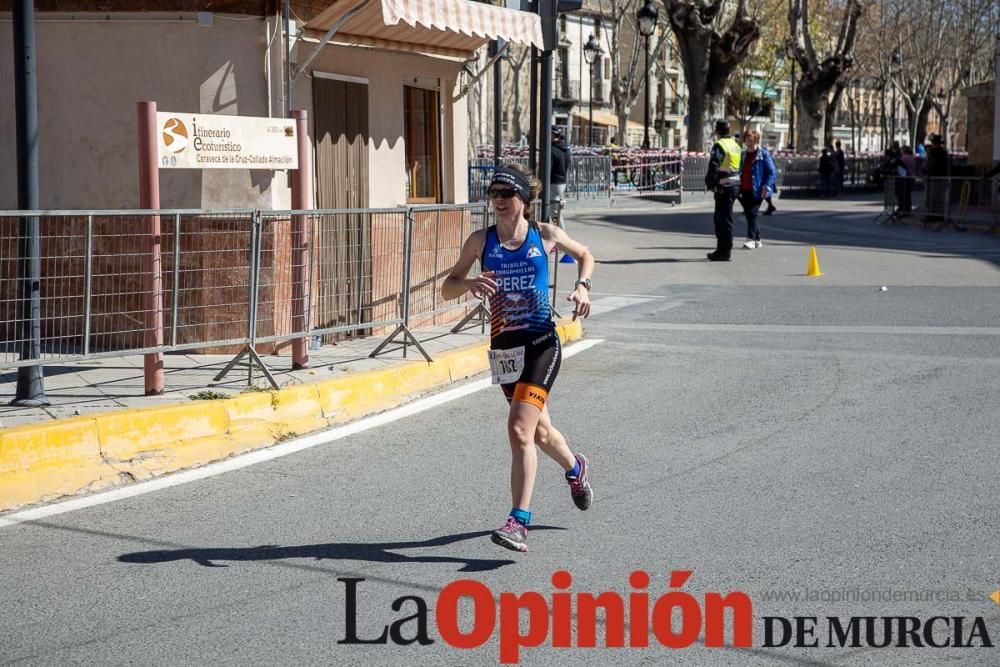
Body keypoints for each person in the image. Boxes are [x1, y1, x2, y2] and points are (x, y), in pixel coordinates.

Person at [441, 163, 595, 553]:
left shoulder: (545, 235)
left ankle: (518, 522)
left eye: (506, 195)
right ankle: (576, 469)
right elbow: (447, 287)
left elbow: (585, 255)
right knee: (540, 433)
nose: (497, 201)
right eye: (493, 194)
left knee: (519, 430)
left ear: (524, 201)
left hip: (542, 344)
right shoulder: (480, 241)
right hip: (505, 350)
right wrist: (469, 283)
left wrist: (582, 287)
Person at [704, 119, 742, 261]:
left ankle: (724, 251)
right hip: (734, 186)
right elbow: (740, 166)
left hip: (724, 186)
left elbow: (714, 166)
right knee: (724, 218)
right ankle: (722, 249)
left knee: (722, 220)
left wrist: (709, 183)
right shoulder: (735, 145)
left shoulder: (720, 145)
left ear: (717, 131)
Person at [737, 129, 777, 249]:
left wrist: (767, 186)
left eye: (751, 141)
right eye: (747, 141)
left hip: (758, 189)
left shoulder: (763, 154)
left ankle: (750, 239)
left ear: (756, 141)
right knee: (749, 215)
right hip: (744, 189)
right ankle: (758, 238)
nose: (749, 144)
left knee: (753, 213)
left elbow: (772, 172)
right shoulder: (743, 154)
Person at [550, 128, 571, 230]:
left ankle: (561, 235)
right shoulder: (565, 148)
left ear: (554, 135)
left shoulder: (552, 150)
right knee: (557, 210)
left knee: (554, 211)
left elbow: (549, 167)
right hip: (562, 181)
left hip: (554, 182)